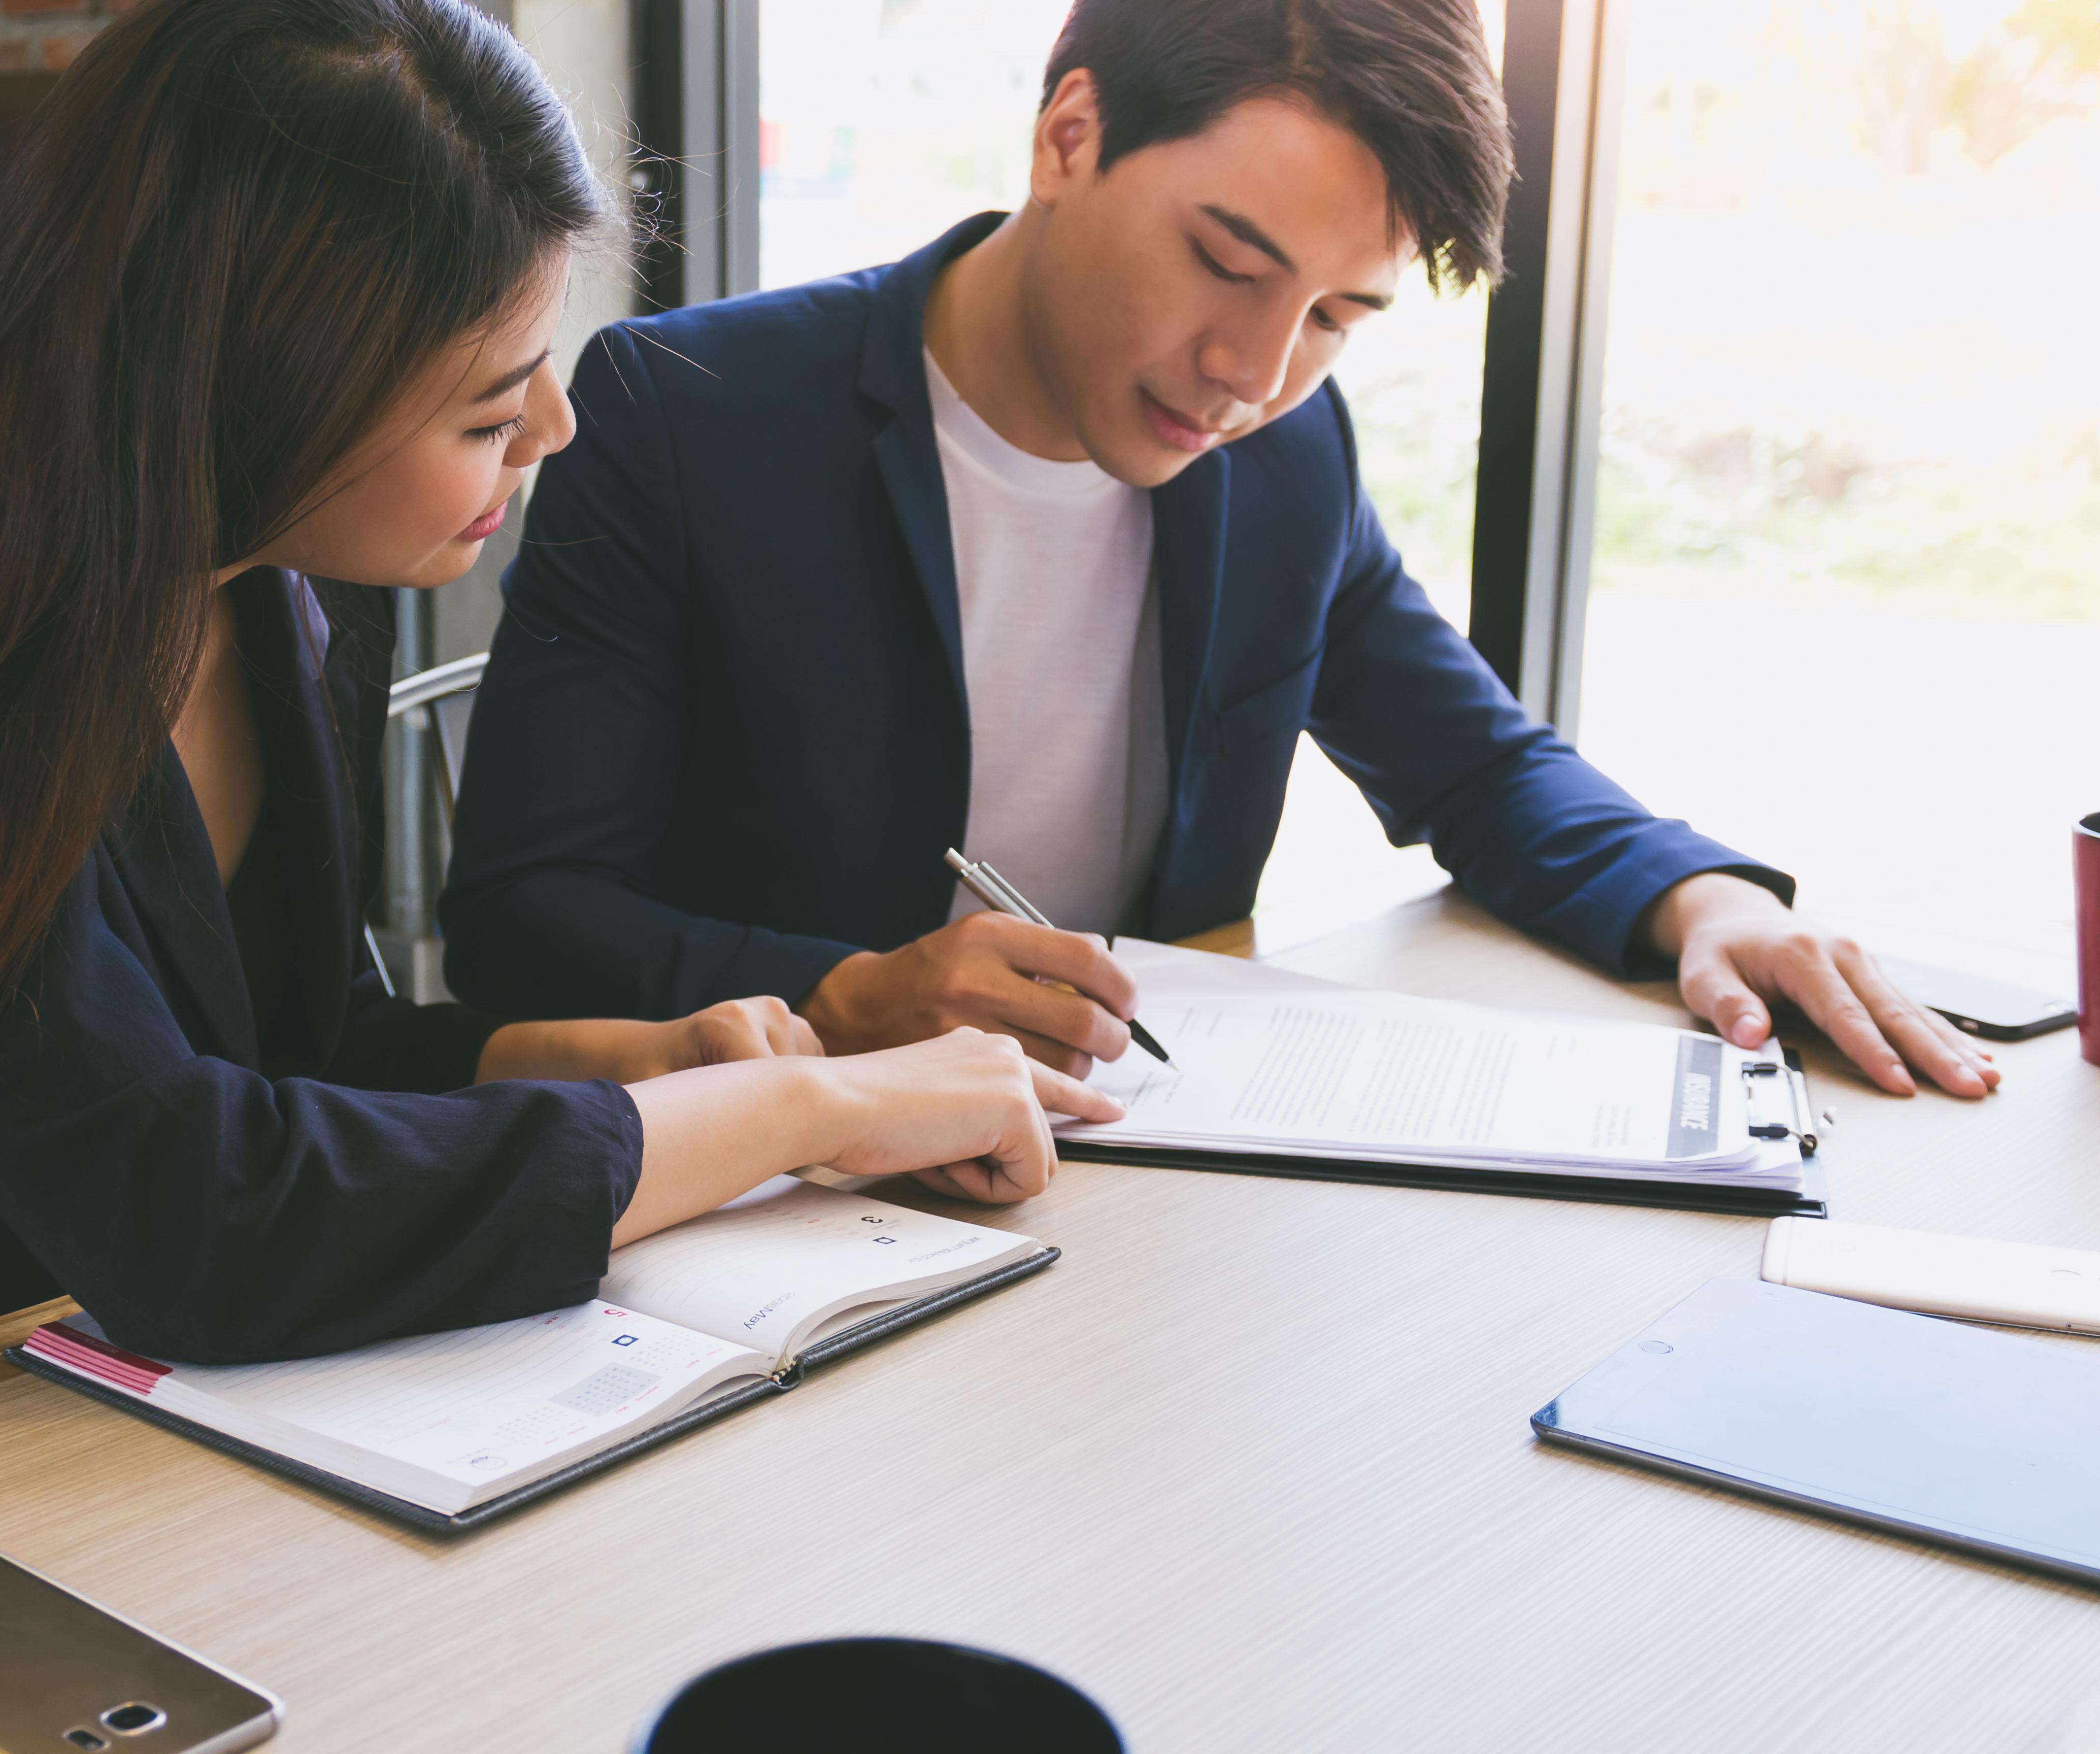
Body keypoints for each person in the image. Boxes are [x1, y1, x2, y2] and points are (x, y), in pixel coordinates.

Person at [0, 0, 1120, 1487]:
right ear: (272, 386)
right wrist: (801, 1118)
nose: (552, 430)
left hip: (32, 1398)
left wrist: (623, 1059)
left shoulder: (253, 571)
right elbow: (192, 1208)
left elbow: (280, 1043)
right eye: (491, 403)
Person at [442, 0, 1998, 1104]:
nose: (1253, 373)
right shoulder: (690, 414)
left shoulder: (1285, 458)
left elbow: (1472, 766)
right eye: (1227, 263)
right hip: (790, 1189)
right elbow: (524, 916)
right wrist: (850, 993)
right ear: (1069, 134)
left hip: (1141, 1188)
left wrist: (1702, 902)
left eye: (1335, 317)